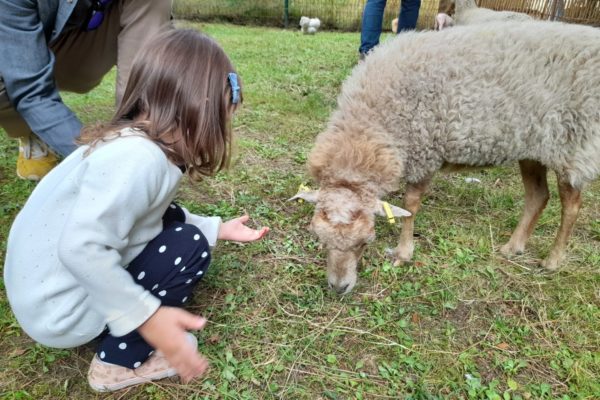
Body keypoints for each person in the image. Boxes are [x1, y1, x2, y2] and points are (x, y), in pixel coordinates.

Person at [3, 29, 270, 392]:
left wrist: (217, 228)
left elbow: (151, 214)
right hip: (60, 311)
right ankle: (117, 362)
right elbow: (80, 248)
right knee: (186, 247)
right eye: (222, 119)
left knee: (182, 229)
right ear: (196, 110)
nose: (222, 131)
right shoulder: (139, 161)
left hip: (46, 294)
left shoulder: (133, 145)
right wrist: (147, 316)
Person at [0, 0, 173, 181]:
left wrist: (130, 151)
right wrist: (98, 157)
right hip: (14, 46)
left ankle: (136, 131)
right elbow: (31, 91)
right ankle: (30, 131)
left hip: (78, 45)